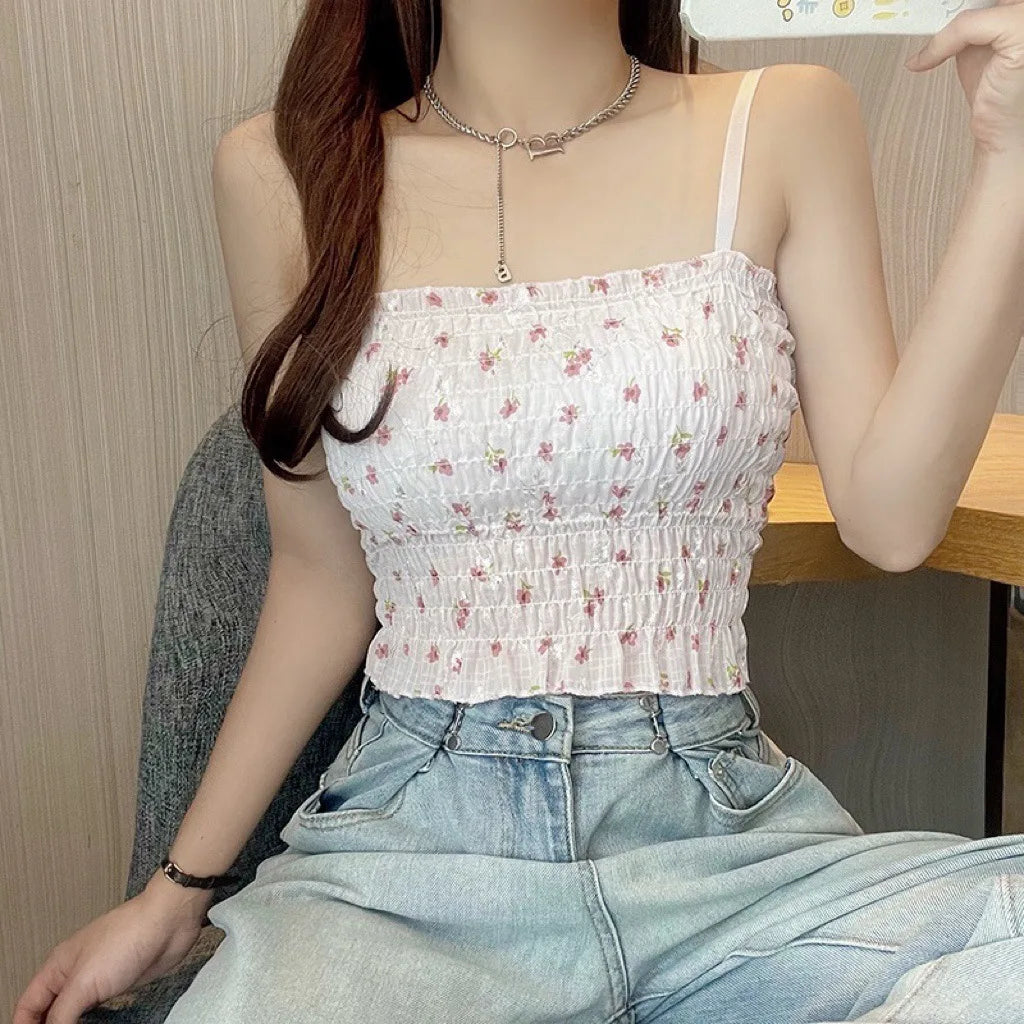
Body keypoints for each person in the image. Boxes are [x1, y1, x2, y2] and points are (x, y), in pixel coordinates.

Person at [15, 1, 1024, 1022]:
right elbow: (320, 577)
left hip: (724, 857)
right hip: (410, 866)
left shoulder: (785, 121)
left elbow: (890, 523)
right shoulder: (283, 174)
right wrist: (175, 890)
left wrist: (1012, 158)